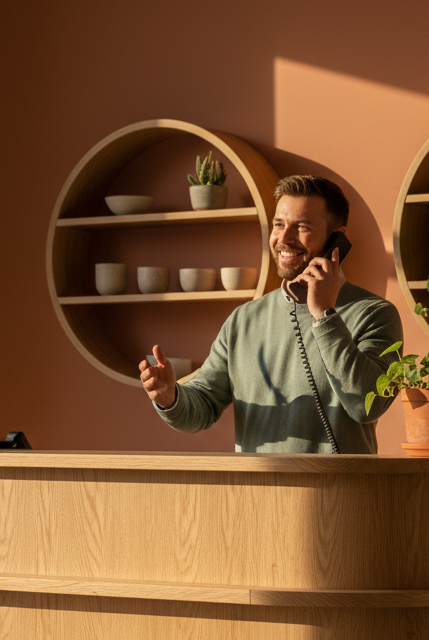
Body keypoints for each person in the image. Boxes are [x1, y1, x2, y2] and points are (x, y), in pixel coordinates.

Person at [139, 175, 403, 454]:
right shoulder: (244, 320)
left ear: (336, 239)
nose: (284, 239)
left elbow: (366, 405)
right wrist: (170, 397)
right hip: (259, 496)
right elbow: (202, 407)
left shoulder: (375, 314)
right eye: (279, 224)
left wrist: (324, 315)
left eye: (301, 227)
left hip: (339, 494)